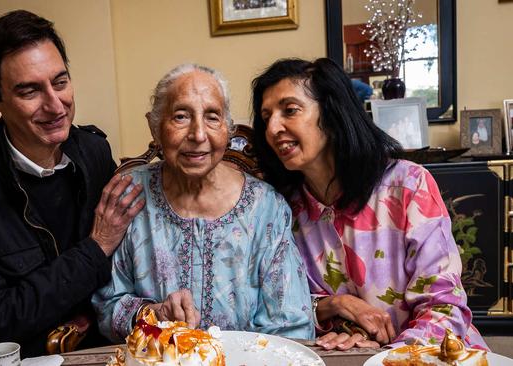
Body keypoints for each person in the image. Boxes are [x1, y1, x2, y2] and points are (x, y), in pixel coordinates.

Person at [0, 10, 144, 365]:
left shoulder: (93, 151)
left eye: (60, 82)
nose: (55, 106)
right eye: (29, 91)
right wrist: (96, 246)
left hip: (90, 349)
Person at [250, 58, 488, 351]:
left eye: (290, 110)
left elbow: (444, 307)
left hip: (433, 355)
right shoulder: (283, 209)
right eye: (266, 117)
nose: (273, 128)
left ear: (333, 114)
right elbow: (283, 304)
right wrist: (336, 306)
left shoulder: (409, 186)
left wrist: (388, 356)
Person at [92, 64, 314, 342]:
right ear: (155, 126)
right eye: (181, 116)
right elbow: (105, 306)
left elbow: (290, 323)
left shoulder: (266, 207)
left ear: (228, 129)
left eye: (212, 117)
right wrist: (153, 315)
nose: (198, 135)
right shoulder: (129, 193)